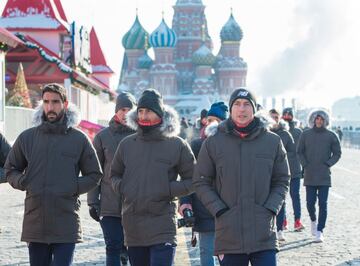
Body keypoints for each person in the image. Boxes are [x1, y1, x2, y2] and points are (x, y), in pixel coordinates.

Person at [4, 83, 102, 266]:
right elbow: (11, 169)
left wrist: (72, 187)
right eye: (46, 102)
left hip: (66, 221)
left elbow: (95, 174)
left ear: (65, 104)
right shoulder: (27, 138)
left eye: (55, 102)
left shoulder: (78, 139)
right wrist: (23, 182)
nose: (50, 107)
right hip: (36, 221)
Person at [193, 88, 290, 266]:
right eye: (237, 104)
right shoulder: (213, 142)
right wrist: (219, 210)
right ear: (230, 109)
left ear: (254, 109)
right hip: (229, 233)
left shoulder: (273, 141)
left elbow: (282, 180)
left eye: (247, 104)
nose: (242, 109)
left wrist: (271, 208)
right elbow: (201, 181)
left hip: (263, 233)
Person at [111, 88, 195, 266]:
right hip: (133, 225)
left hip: (162, 223)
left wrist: (168, 189)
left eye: (148, 111)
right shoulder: (127, 144)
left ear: (160, 113)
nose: (143, 116)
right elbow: (114, 175)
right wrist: (125, 187)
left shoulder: (176, 144)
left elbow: (194, 179)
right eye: (140, 111)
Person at [87, 92, 136, 266]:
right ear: (116, 111)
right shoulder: (102, 137)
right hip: (109, 205)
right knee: (112, 247)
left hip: (136, 205)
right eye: (122, 109)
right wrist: (93, 201)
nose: (125, 113)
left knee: (136, 250)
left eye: (129, 109)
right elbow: (95, 170)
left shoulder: (142, 136)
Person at [179, 102, 228, 266]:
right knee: (206, 253)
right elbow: (188, 177)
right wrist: (186, 203)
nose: (212, 123)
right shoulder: (196, 145)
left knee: (229, 255)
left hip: (228, 209)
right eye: (210, 119)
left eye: (217, 120)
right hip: (203, 207)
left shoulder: (233, 146)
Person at [297, 109, 341, 242]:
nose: (319, 121)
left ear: (325, 121)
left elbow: (337, 153)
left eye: (321, 119)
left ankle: (320, 230)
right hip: (310, 174)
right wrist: (305, 165)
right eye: (317, 119)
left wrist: (328, 164)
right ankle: (313, 221)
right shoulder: (305, 134)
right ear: (313, 120)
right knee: (310, 203)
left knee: (323, 204)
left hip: (324, 175)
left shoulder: (331, 135)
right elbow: (299, 152)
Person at [269, 109, 297, 241]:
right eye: (272, 117)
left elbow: (293, 152)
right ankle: (269, 229)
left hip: (280, 171)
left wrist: (281, 159)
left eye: (276, 117)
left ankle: (280, 229)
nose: (274, 119)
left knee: (281, 201)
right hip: (265, 172)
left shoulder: (285, 134)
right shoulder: (263, 132)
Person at [282, 107, 305, 231]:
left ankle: (285, 222)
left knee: (284, 197)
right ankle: (295, 221)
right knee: (294, 196)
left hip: (288, 169)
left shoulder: (294, 132)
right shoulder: (297, 132)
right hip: (292, 169)